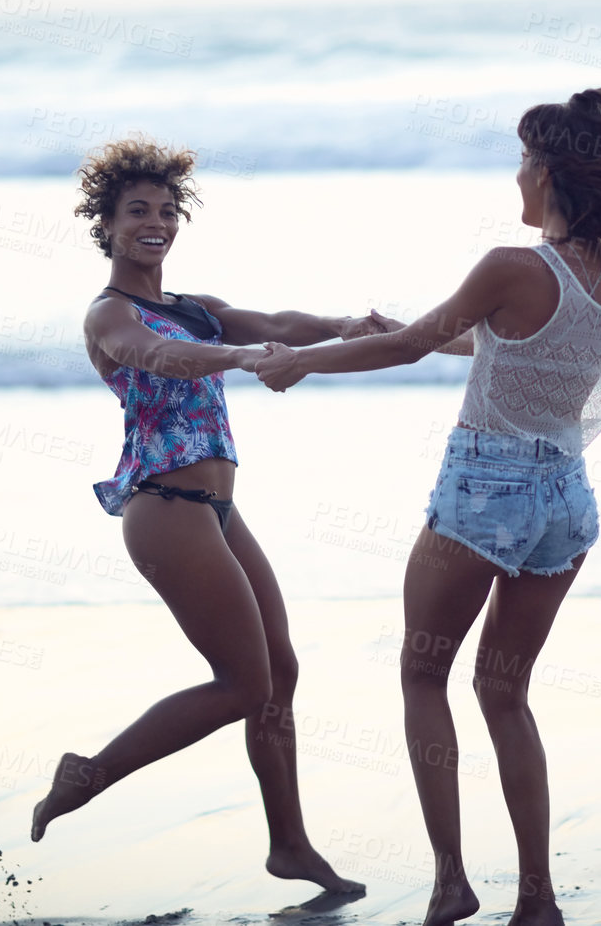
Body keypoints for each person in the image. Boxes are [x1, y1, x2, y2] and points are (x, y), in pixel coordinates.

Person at [256, 87, 601, 926]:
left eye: (523, 160)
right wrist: (412, 327)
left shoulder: (512, 266)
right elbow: (496, 345)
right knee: (506, 693)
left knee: (422, 673)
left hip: (485, 491)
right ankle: (537, 899)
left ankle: (450, 883)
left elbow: (412, 349)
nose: (516, 176)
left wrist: (307, 360)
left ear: (549, 172)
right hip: (565, 501)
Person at [30, 137, 365, 901]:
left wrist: (348, 323)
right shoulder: (110, 314)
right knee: (244, 685)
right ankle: (89, 774)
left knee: (280, 672)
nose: (156, 222)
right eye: (137, 211)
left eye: (167, 210)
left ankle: (290, 846)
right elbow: (155, 357)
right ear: (106, 226)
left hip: (218, 510)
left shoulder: (196, 309)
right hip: (164, 510)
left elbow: (279, 318)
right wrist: (245, 360)